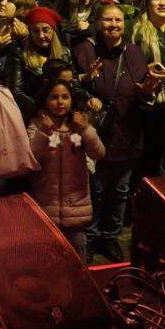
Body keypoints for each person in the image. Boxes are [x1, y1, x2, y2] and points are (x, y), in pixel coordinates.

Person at [82, 1, 157, 262]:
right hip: (98, 134)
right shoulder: (86, 50)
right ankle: (91, 238)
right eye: (108, 20)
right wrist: (88, 91)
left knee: (120, 191)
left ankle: (110, 236)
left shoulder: (134, 52)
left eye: (118, 21)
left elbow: (142, 92)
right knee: (95, 190)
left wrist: (149, 90)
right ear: (98, 22)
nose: (113, 25)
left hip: (127, 132)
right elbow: (75, 88)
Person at [26, 77, 104, 260]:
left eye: (65, 97)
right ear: (45, 100)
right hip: (46, 205)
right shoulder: (37, 124)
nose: (60, 102)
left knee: (78, 258)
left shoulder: (79, 124)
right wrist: (44, 132)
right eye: (54, 97)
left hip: (76, 206)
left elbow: (99, 153)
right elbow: (31, 159)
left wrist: (85, 129)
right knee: (48, 260)